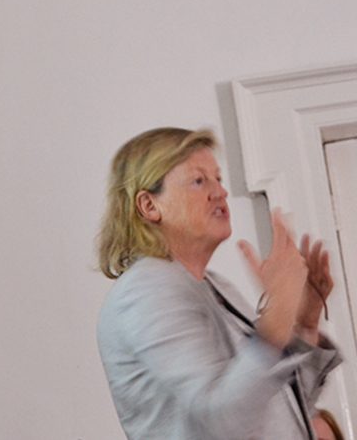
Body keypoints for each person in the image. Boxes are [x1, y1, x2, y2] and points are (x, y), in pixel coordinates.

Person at [97, 127, 341, 439]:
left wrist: (302, 321)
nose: (220, 192)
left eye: (218, 179)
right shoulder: (145, 292)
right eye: (199, 181)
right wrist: (278, 312)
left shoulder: (214, 285)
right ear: (149, 206)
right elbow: (220, 422)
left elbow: (275, 408)